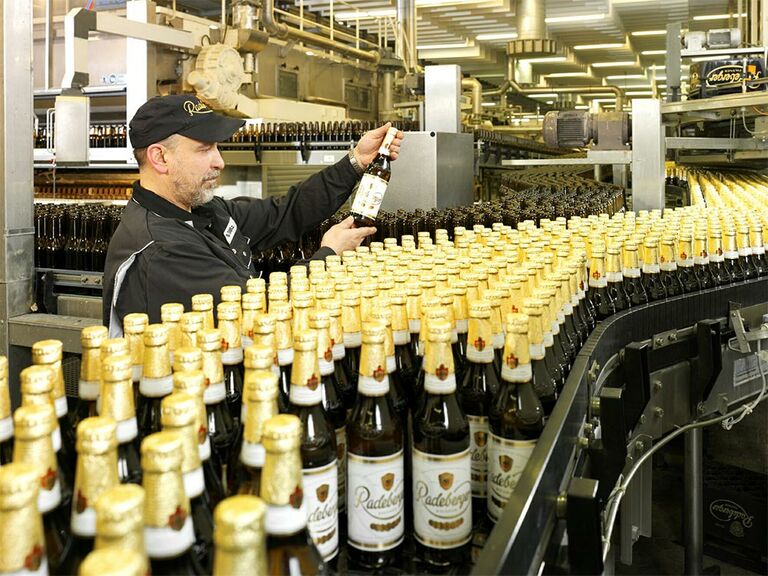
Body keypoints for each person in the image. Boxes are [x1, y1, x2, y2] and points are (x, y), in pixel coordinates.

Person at [103, 94, 403, 335]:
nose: (219, 161)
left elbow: (285, 213)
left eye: (217, 148)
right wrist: (329, 254)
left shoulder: (204, 212)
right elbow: (257, 309)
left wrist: (355, 162)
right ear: (160, 157)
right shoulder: (161, 250)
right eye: (204, 149)